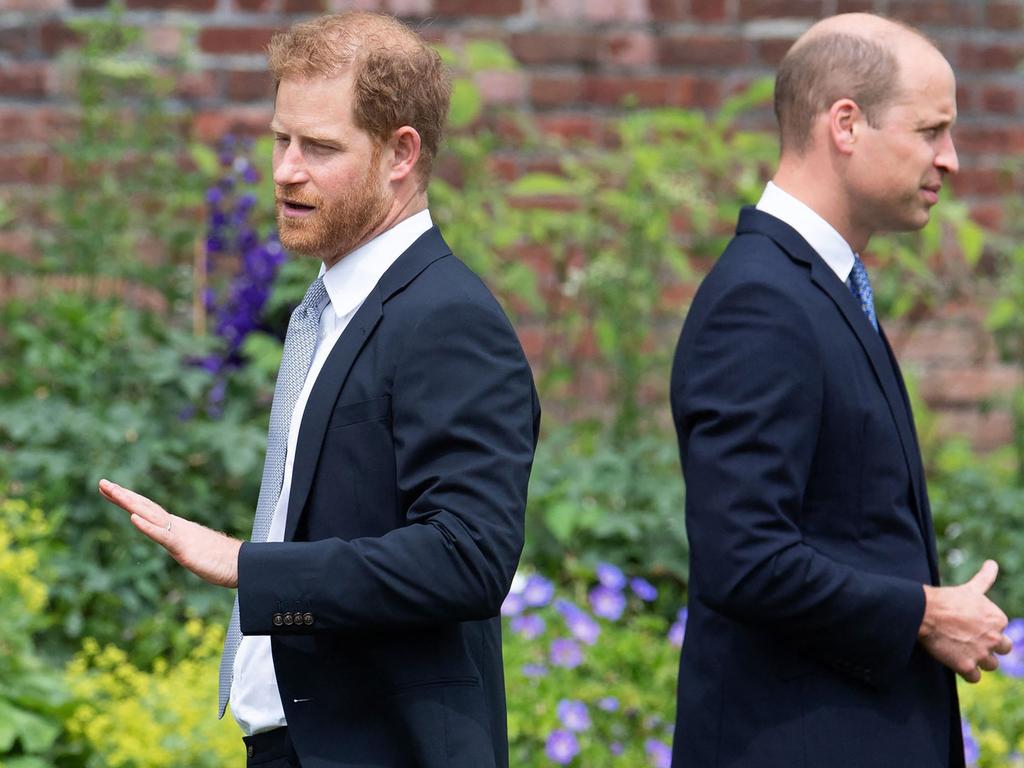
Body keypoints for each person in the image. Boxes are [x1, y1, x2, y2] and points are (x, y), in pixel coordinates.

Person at [99, 12, 540, 768]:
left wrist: (250, 566)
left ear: (401, 153)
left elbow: (469, 556)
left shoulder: (448, 317)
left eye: (320, 147)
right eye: (281, 139)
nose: (285, 170)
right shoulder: (333, 307)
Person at [669, 13, 1013, 768]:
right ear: (846, 124)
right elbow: (744, 557)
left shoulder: (818, 287)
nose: (950, 160)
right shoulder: (760, 302)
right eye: (931, 131)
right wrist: (923, 614)